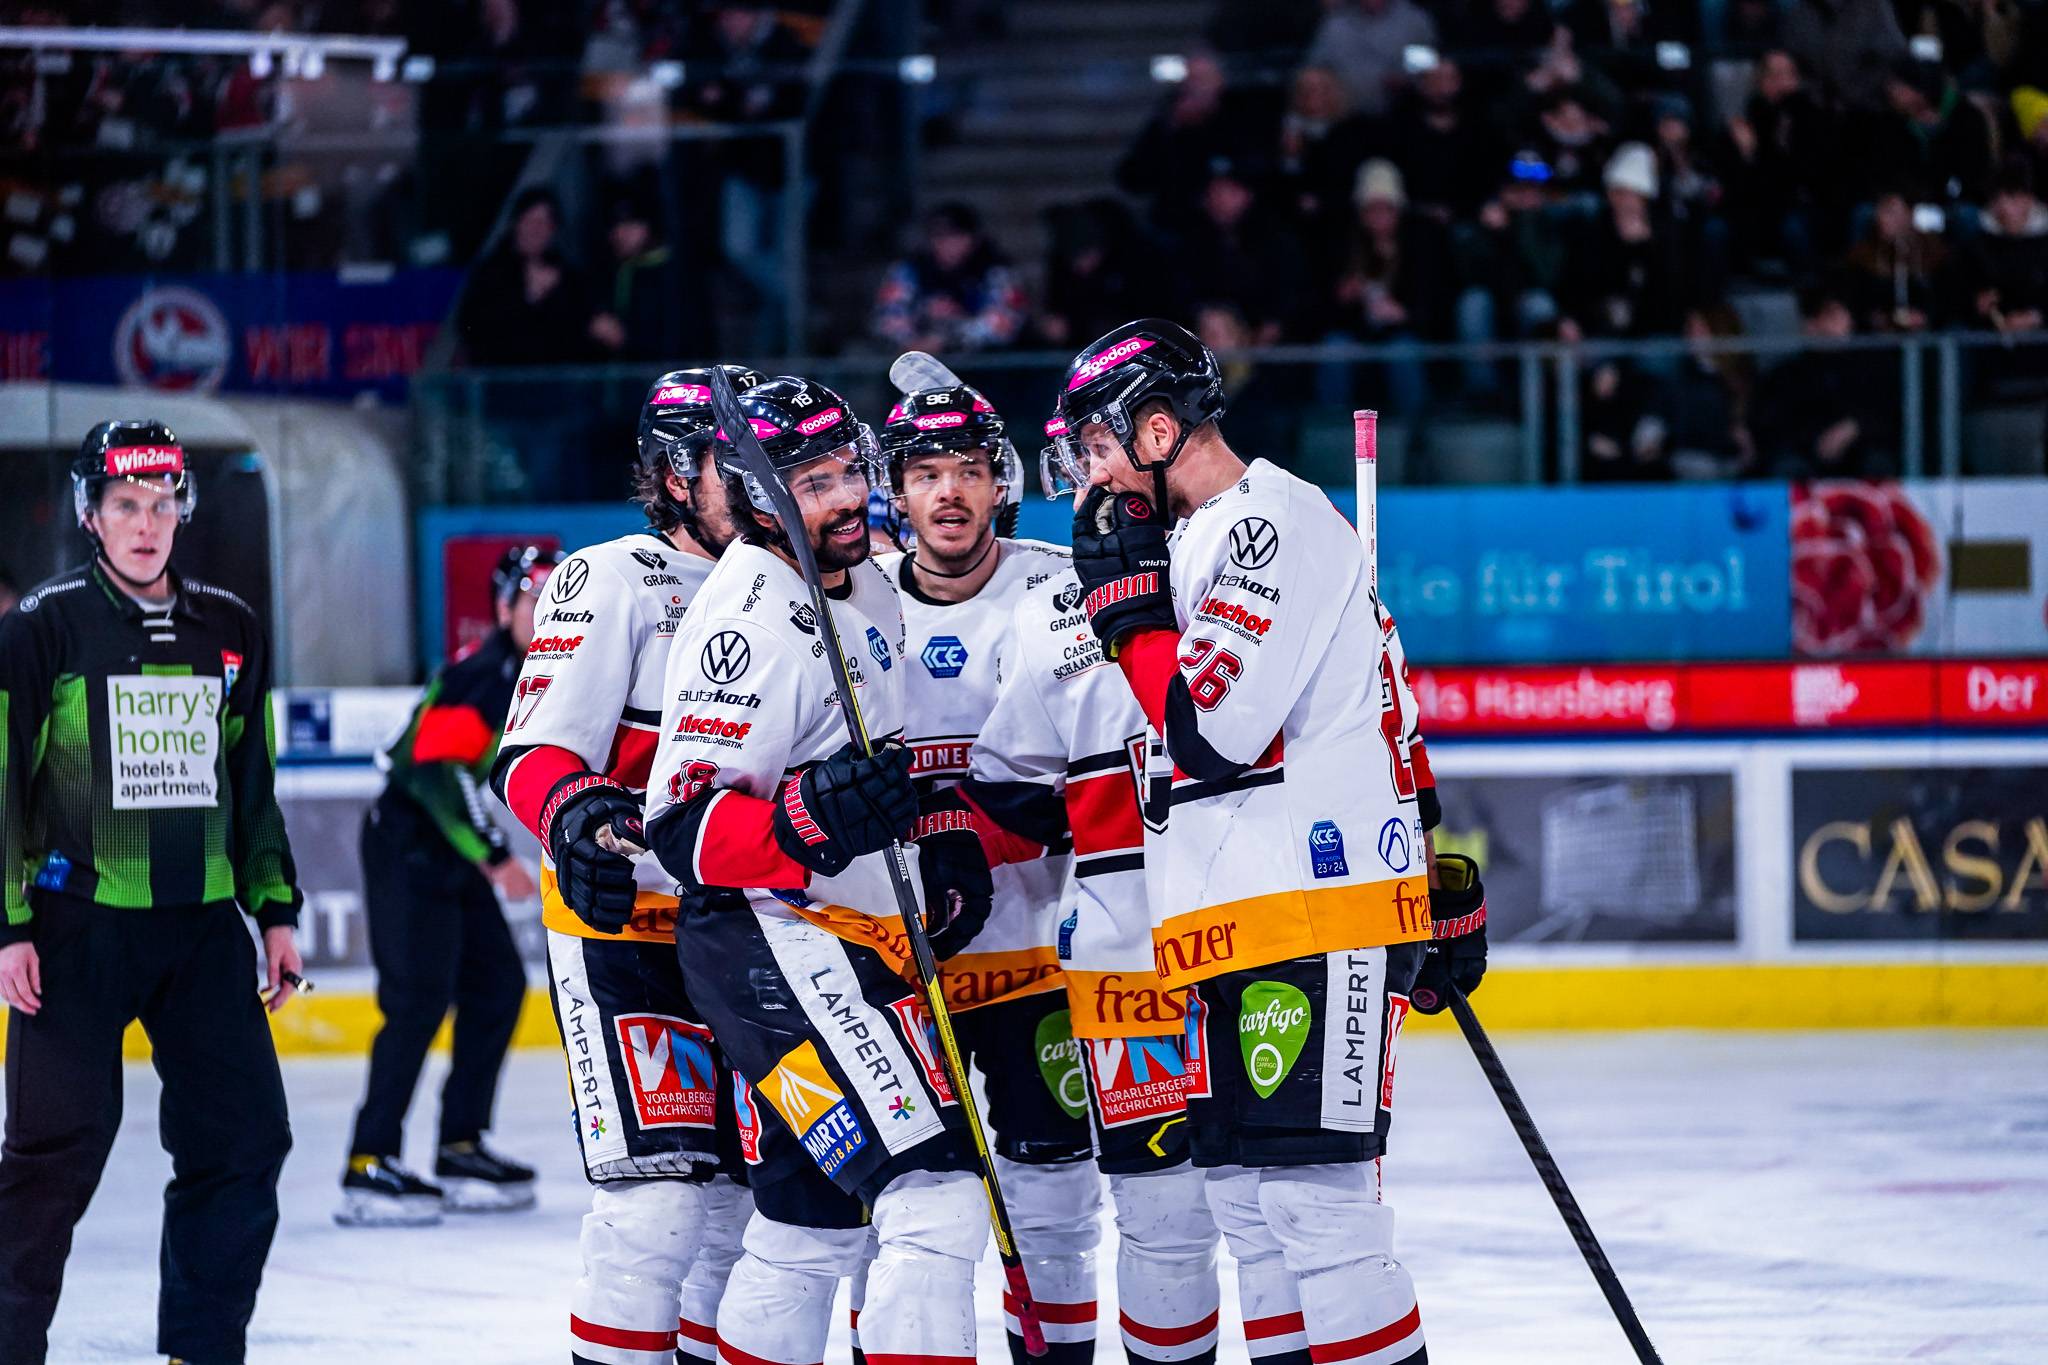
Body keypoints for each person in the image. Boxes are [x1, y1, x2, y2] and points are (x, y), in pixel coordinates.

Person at [1046, 319, 1490, 1365]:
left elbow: (1209, 734)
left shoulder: (1268, 525)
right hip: (1230, 923)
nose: (1091, 476)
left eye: (1100, 447)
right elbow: (1386, 704)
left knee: (1316, 1213)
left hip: (1312, 914)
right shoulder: (1196, 539)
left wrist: (1127, 618)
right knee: (1248, 1210)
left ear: (1159, 432)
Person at [642, 376, 994, 1365]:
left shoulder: (868, 584)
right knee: (934, 1198)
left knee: (810, 1228)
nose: (843, 498)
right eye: (810, 483)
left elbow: (881, 760)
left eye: (846, 471)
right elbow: (682, 832)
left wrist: (935, 832)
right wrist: (807, 819)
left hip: (842, 943)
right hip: (772, 945)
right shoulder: (745, 617)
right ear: (757, 499)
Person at [0, 420, 303, 1365]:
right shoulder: (42, 624)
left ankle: (200, 1351)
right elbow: (4, 780)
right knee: (52, 1160)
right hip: (73, 932)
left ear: (183, 510)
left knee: (244, 1142)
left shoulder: (231, 626)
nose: (146, 523)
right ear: (90, 514)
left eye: (162, 503)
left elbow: (250, 781)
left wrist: (276, 910)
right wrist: (8, 924)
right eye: (126, 504)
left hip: (202, 933)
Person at [488, 369, 768, 1365]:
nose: (758, 480)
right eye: (731, 463)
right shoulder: (610, 577)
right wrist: (575, 815)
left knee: (745, 1213)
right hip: (626, 936)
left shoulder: (792, 585)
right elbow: (529, 752)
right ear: (674, 476)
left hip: (752, 940)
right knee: (655, 1211)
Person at [856, 378, 1088, 1363]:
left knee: (1056, 1209)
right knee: (899, 1214)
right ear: (894, 492)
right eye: (923, 473)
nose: (946, 492)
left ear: (1001, 484)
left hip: (1038, 958)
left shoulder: (1061, 586)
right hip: (896, 970)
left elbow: (1100, 766)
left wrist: (976, 829)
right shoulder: (847, 602)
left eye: (965, 470)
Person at [337, 544, 555, 1226]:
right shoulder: (484, 673)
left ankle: (460, 1145)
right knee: (417, 1001)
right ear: (505, 608)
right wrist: (496, 856)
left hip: (444, 847)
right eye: (535, 598)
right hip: (408, 844)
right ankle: (369, 1160)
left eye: (558, 598)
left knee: (497, 985)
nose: (548, 611)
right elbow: (437, 771)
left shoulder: (529, 672)